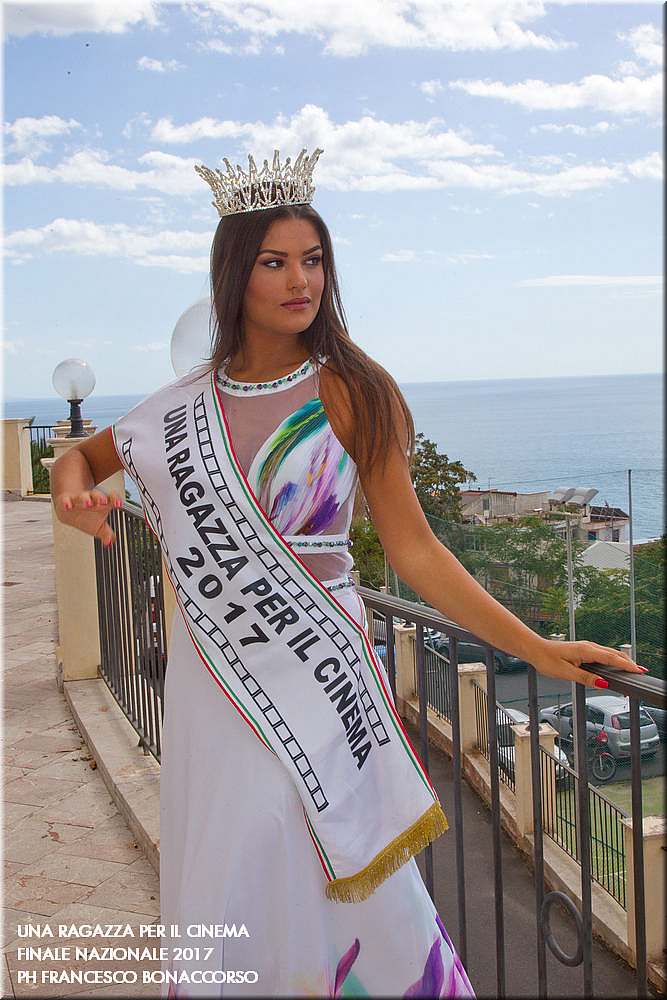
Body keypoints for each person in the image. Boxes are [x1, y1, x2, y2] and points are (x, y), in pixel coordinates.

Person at [51, 148, 647, 998]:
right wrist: (75, 502)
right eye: (274, 262)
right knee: (232, 859)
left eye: (313, 259)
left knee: (326, 860)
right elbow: (79, 459)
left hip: (321, 671)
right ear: (233, 274)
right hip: (213, 681)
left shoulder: (355, 391)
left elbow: (416, 551)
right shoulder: (181, 404)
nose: (300, 280)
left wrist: (537, 647)